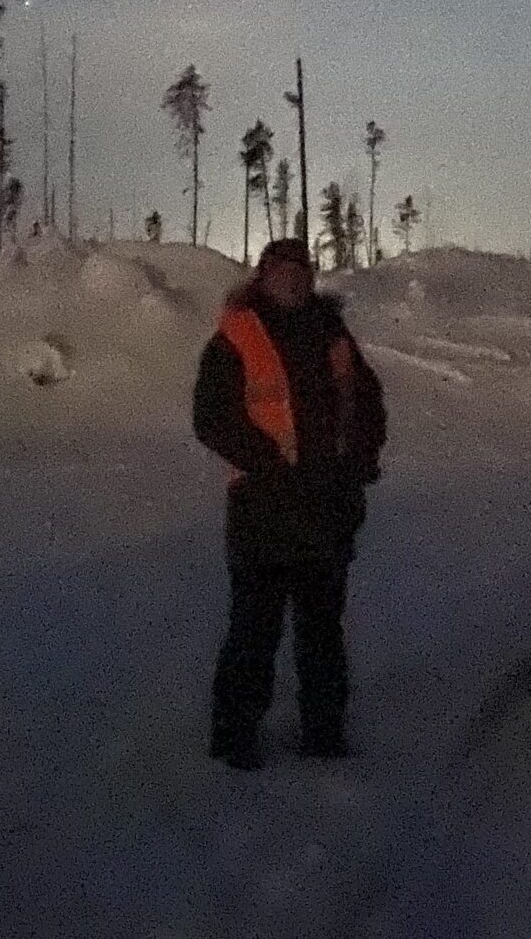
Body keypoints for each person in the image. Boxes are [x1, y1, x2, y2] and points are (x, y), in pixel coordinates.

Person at [191, 237, 386, 770]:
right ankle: (234, 742)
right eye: (283, 270)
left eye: (303, 270)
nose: (295, 280)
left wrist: (361, 461)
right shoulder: (237, 335)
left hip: (327, 509)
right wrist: (269, 464)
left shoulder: (333, 333)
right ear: (264, 276)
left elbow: (367, 402)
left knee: (322, 633)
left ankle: (324, 735)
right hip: (264, 510)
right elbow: (211, 416)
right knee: (254, 632)